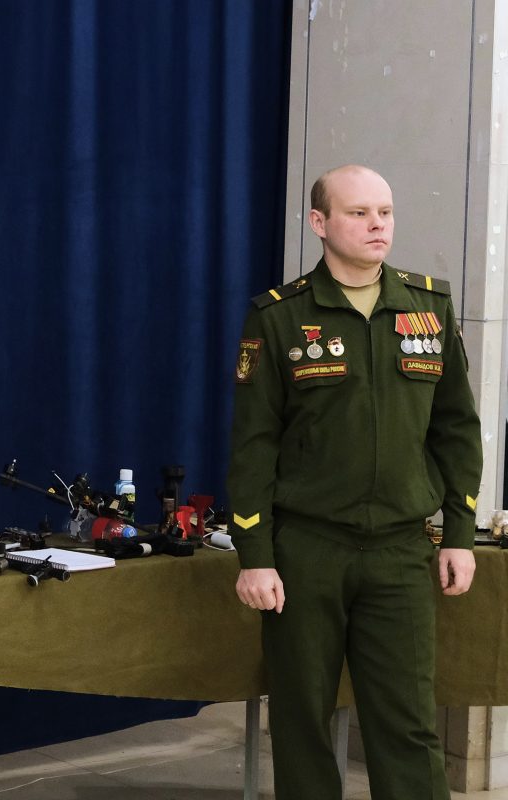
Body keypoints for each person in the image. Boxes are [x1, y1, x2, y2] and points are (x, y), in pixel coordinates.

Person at [227, 164, 481, 800]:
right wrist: (255, 553)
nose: (377, 226)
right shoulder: (280, 317)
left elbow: (456, 429)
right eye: (359, 213)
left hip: (400, 551)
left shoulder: (428, 308)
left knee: (408, 723)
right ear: (319, 222)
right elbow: (253, 446)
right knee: (302, 720)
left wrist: (459, 533)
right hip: (307, 551)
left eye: (385, 213)